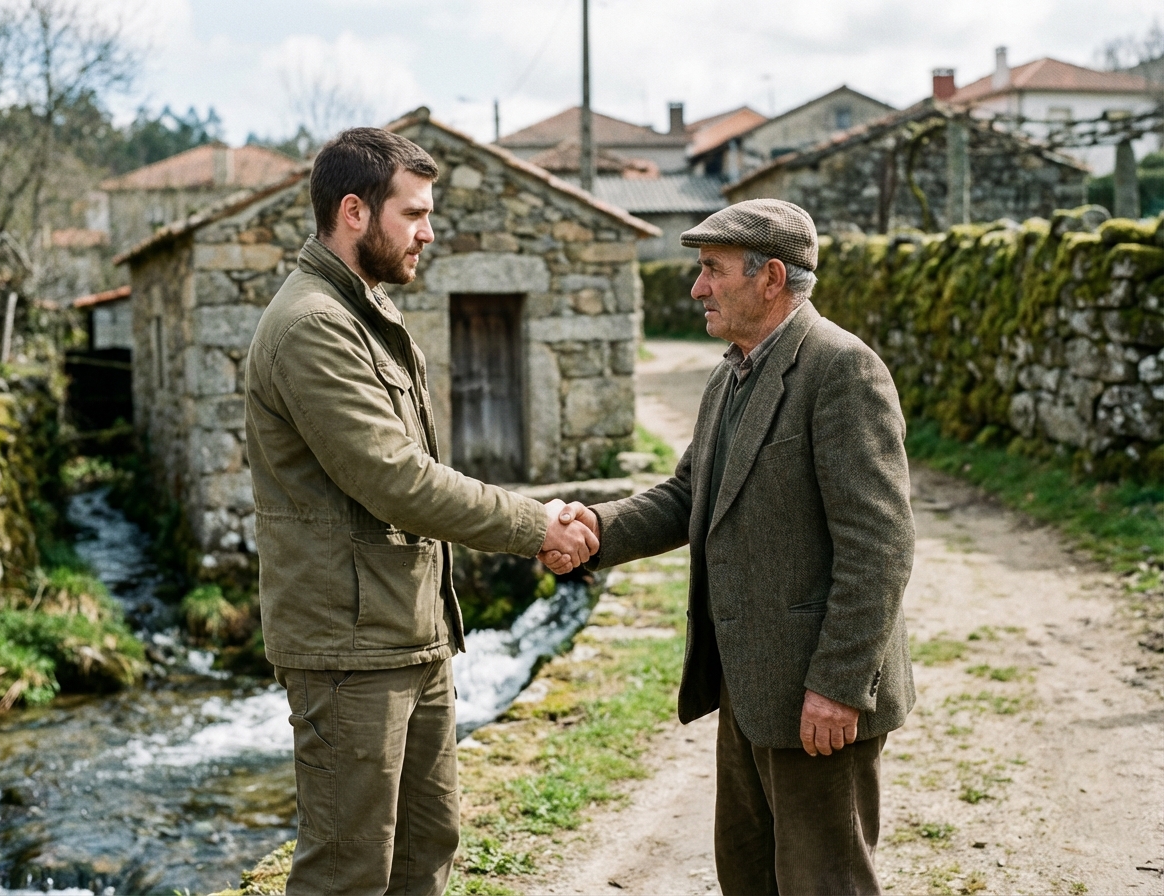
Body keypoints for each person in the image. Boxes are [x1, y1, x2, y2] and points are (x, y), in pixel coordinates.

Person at [244, 127, 598, 895]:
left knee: (426, 847)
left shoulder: (365, 311)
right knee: (347, 873)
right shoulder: (312, 326)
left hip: (408, 633)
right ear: (354, 212)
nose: (428, 232)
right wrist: (536, 525)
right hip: (349, 648)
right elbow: (397, 480)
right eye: (413, 214)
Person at [552, 199, 916, 895]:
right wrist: (595, 529)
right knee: (746, 874)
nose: (697, 288)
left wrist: (838, 686)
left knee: (825, 883)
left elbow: (880, 545)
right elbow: (689, 494)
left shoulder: (843, 369)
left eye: (712, 270)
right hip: (748, 686)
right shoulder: (731, 372)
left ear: (770, 277)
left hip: (816, 696)